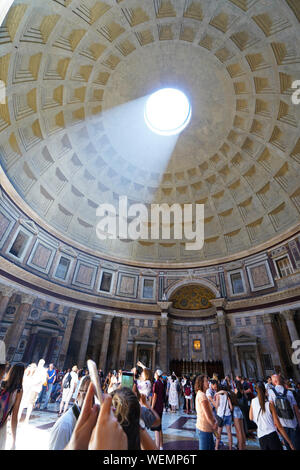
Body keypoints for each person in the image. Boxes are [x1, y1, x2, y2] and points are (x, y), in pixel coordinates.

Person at [249, 381, 295, 450]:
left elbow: (251, 417)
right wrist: (289, 442)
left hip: (261, 437)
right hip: (272, 435)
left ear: (256, 390)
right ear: (265, 390)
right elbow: (278, 425)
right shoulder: (269, 405)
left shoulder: (253, 401)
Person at [49, 375, 90, 450]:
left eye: (96, 395)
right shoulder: (65, 425)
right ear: (78, 395)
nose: (91, 400)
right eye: (87, 394)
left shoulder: (91, 421)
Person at [268, 374, 300, 450]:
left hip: (282, 426)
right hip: (293, 424)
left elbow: (272, 409)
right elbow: (296, 410)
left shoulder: (271, 392)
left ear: (275, 382)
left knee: (288, 446)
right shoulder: (289, 393)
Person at [0, 363, 24, 450]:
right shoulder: (18, 391)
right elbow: (14, 416)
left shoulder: (2, 383)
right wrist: (14, 440)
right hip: (2, 425)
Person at [195, 374, 218, 450]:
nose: (208, 382)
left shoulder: (201, 394)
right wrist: (214, 425)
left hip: (206, 428)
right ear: (201, 383)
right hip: (204, 428)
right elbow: (207, 414)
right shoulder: (202, 396)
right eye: (206, 381)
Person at [214, 386, 233, 450]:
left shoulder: (218, 396)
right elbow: (231, 408)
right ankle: (230, 448)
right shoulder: (227, 396)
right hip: (228, 415)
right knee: (229, 433)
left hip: (221, 416)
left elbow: (216, 406)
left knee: (219, 433)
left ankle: (216, 447)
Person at [151, 369, 165, 450]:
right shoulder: (162, 383)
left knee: (157, 427)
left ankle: (157, 446)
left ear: (157, 375)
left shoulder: (156, 383)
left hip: (156, 407)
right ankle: (161, 446)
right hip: (160, 406)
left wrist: (151, 408)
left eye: (155, 373)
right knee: (159, 427)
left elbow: (155, 396)